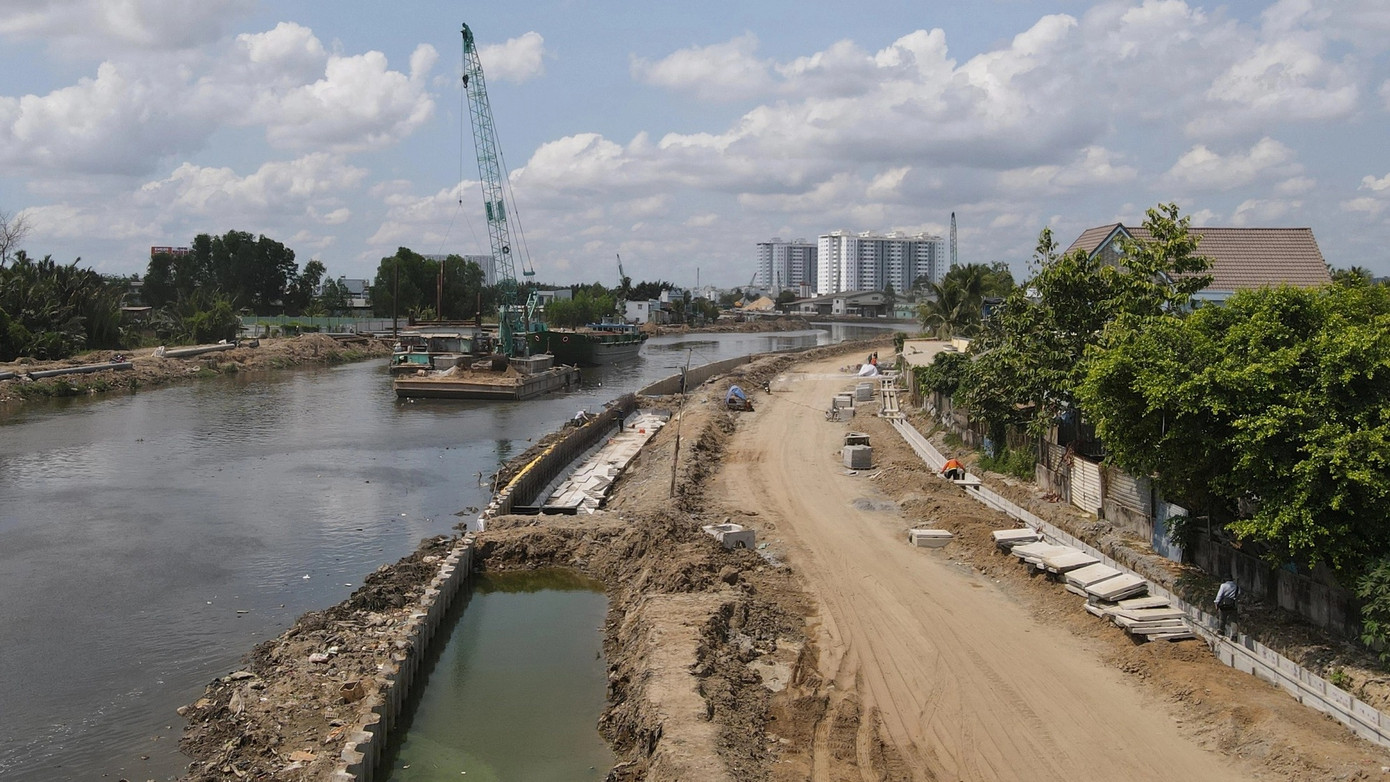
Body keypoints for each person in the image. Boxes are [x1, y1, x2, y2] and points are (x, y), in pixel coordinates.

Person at [1215, 574, 1239, 638]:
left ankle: (1221, 631)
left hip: (1224, 605)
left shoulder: (1223, 586)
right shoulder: (1236, 586)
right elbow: (1238, 594)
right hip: (1232, 605)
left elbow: (1219, 595)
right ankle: (1234, 635)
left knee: (1222, 618)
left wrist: (1216, 603)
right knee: (1233, 620)